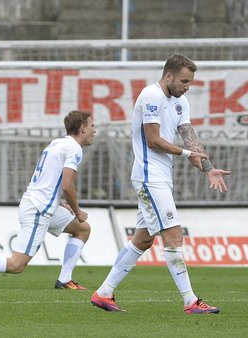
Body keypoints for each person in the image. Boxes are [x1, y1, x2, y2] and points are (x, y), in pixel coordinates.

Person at [90, 55, 230, 314]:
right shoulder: (150, 95)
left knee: (142, 241)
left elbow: (189, 137)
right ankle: (190, 302)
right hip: (148, 176)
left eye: (190, 81)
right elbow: (153, 140)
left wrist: (209, 169)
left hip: (161, 176)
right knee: (174, 236)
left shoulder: (181, 102)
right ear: (169, 76)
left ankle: (104, 293)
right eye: (184, 81)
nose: (187, 86)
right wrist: (188, 156)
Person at [0, 110, 96, 290]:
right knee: (16, 265)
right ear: (82, 128)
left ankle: (65, 280)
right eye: (92, 126)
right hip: (39, 209)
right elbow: (67, 185)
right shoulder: (74, 148)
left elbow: (48, 179)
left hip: (42, 204)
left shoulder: (57, 143)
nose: (94, 131)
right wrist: (78, 210)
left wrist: (59, 202)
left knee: (82, 229)